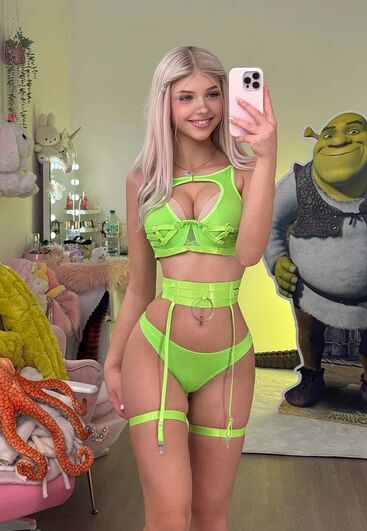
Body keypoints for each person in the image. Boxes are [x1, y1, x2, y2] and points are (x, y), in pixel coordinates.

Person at [104, 46, 277, 531]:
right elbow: (140, 288)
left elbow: (249, 253)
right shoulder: (142, 180)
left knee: (210, 517)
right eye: (186, 97)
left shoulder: (248, 173)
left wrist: (267, 156)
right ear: (165, 103)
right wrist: (113, 361)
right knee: (168, 515)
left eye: (212, 94)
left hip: (228, 357)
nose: (202, 107)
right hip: (154, 350)